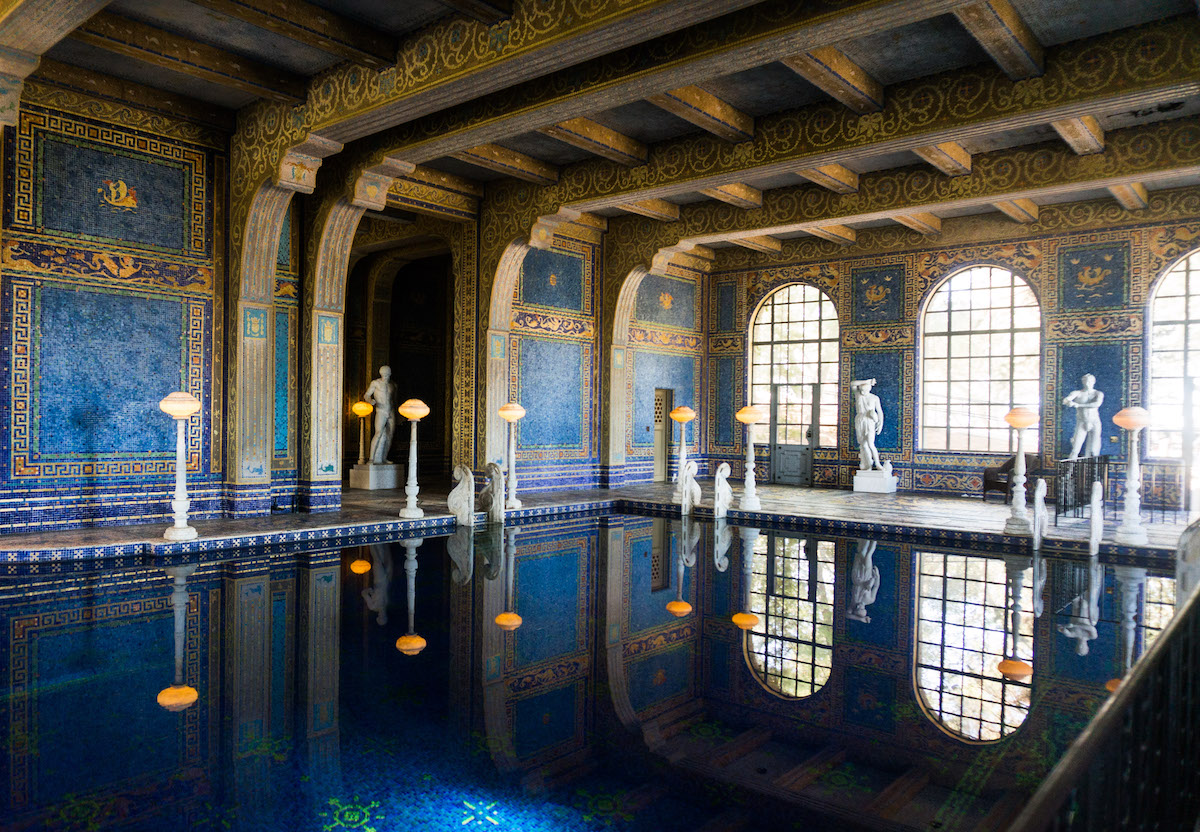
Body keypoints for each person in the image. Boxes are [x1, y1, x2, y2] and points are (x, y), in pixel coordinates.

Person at [1063, 373, 1104, 459]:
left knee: (1094, 450)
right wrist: (1068, 402)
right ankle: (1069, 471)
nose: (1087, 384)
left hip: (1095, 422)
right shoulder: (1077, 393)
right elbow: (1066, 400)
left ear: (1093, 382)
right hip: (1082, 421)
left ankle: (1094, 471)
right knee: (1075, 448)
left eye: (1089, 382)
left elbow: (1097, 404)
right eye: (1085, 382)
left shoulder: (1098, 393)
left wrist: (1078, 405)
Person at [363, 366, 398, 464]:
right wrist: (370, 401)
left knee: (390, 435)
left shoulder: (393, 385)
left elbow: (394, 400)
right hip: (381, 410)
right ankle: (371, 459)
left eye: (387, 374)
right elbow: (366, 395)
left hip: (390, 411)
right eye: (384, 374)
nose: (386, 376)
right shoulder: (376, 383)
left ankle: (384, 458)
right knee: (378, 433)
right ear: (381, 374)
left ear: (390, 374)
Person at [852, 378, 884, 471]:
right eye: (861, 390)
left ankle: (877, 464)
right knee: (863, 445)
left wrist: (880, 423)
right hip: (859, 420)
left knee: (870, 444)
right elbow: (852, 383)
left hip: (869, 421)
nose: (862, 392)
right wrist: (867, 381)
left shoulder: (874, 398)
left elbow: (880, 411)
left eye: (864, 390)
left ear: (869, 389)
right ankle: (868, 464)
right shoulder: (858, 395)